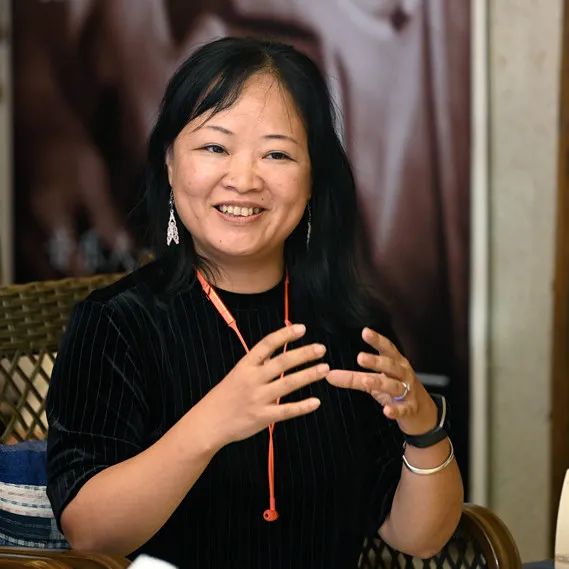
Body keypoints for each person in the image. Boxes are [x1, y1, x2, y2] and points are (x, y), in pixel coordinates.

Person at [46, 36, 463, 568]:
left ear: (312, 179)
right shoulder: (115, 324)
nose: (243, 180)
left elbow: (420, 538)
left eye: (277, 154)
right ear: (170, 164)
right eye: (215, 148)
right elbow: (89, 532)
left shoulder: (350, 326)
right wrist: (215, 421)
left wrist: (423, 426)